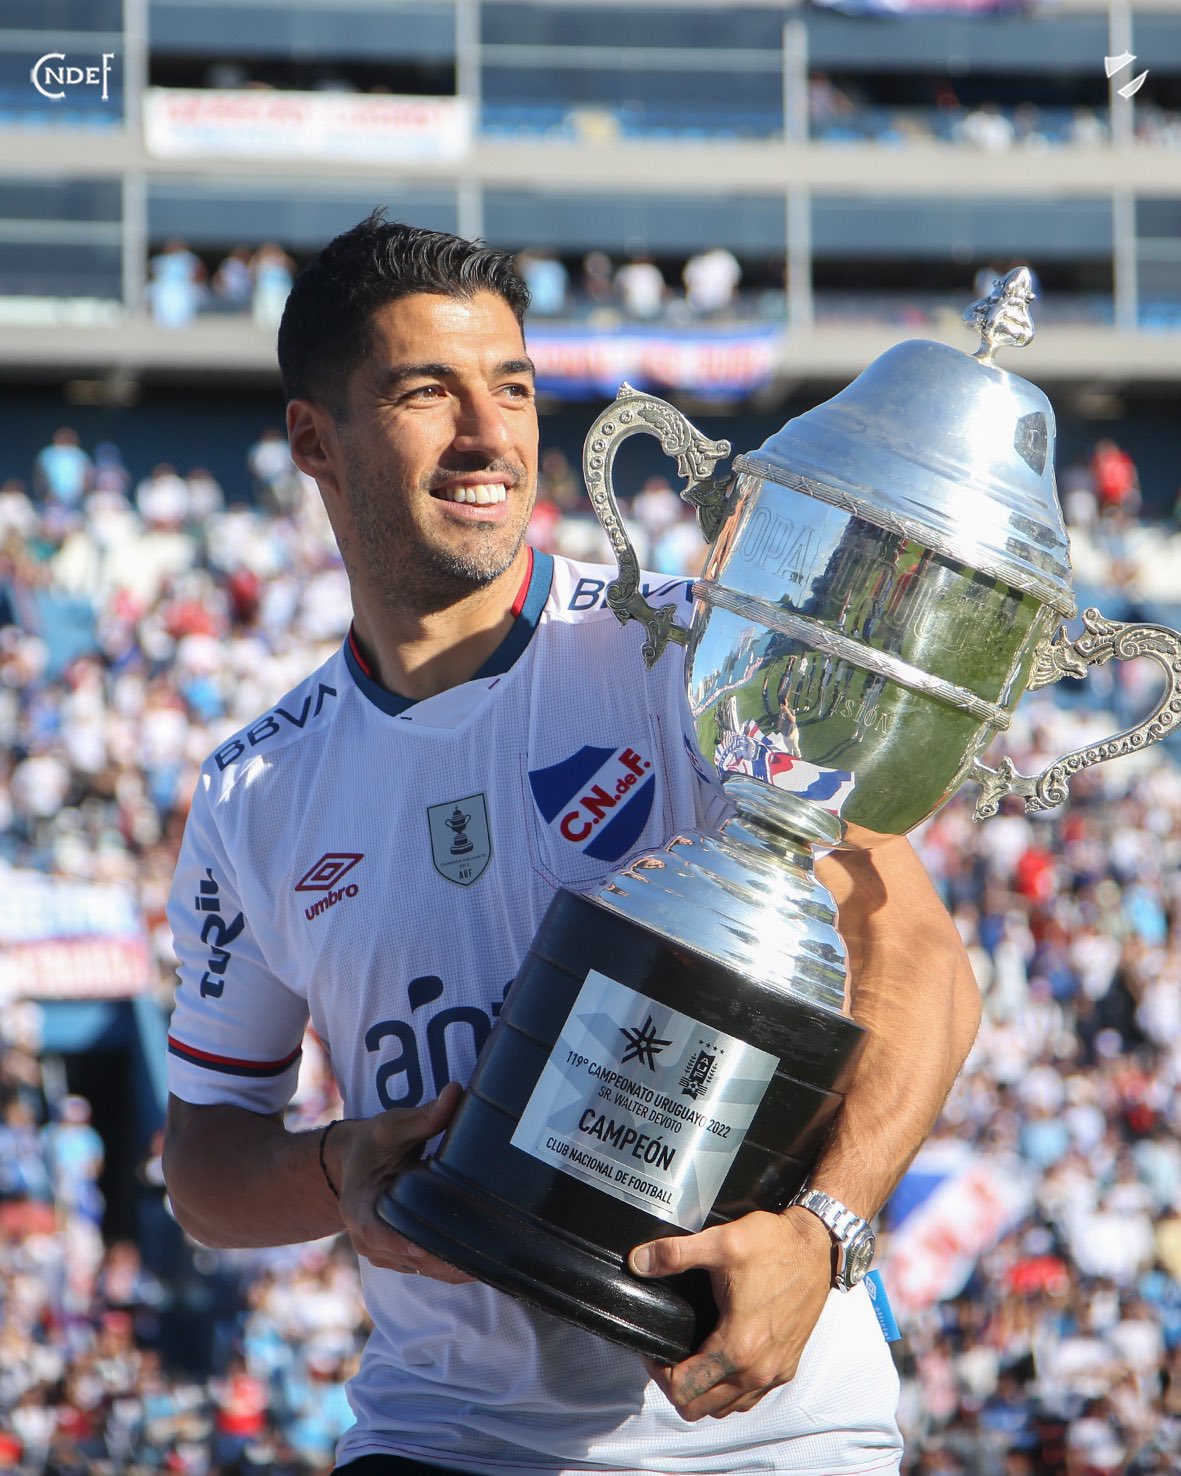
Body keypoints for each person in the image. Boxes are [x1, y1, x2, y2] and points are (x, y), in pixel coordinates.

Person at [162, 211, 981, 1475]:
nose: (489, 436)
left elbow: (911, 940)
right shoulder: (252, 793)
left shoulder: (691, 649)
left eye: (512, 388)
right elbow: (207, 1162)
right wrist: (335, 1170)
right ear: (313, 440)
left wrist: (824, 1231)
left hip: (767, 1434)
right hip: (445, 1435)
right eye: (428, 392)